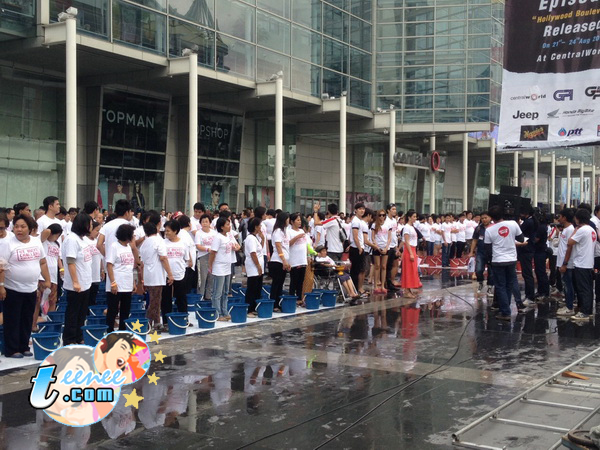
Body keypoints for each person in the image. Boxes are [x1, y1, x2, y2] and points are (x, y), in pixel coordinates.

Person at [0, 214, 51, 358]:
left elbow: (42, 262)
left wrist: (47, 280)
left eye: (23, 227)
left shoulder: (36, 241)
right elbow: (1, 266)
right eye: (16, 226)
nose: (19, 230)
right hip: (12, 288)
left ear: (30, 228)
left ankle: (23, 346)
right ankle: (12, 349)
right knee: (13, 319)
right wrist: (1, 286)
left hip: (31, 288)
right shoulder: (8, 244)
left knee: (27, 318)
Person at [484, 206, 525, 320]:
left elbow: (487, 249)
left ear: (491, 217)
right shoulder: (513, 224)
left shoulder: (489, 230)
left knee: (500, 286)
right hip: (511, 259)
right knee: (509, 284)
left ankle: (505, 311)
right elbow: (521, 239)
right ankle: (506, 309)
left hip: (498, 260)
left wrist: (490, 261)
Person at [62, 213, 93, 345]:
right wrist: (75, 281)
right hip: (76, 285)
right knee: (73, 313)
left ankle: (78, 336)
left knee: (81, 313)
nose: (91, 226)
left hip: (86, 283)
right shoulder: (71, 239)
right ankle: (69, 339)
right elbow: (71, 261)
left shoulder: (83, 239)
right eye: (90, 224)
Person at [139, 222, 173, 332]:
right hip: (157, 275)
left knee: (156, 299)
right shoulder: (159, 241)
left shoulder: (144, 243)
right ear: (156, 229)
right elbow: (163, 258)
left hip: (148, 274)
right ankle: (147, 323)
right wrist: (170, 274)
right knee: (155, 301)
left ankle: (157, 322)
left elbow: (142, 262)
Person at [105, 224, 136, 332]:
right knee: (113, 310)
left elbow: (129, 267)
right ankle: (109, 332)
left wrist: (133, 283)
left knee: (125, 311)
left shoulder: (128, 247)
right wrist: (113, 283)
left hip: (127, 284)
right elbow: (109, 265)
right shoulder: (114, 246)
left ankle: (123, 332)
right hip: (116, 285)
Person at [568, 208, 596, 320]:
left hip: (581, 263)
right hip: (589, 263)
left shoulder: (582, 230)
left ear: (578, 219)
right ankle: (587, 310)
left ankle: (584, 312)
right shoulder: (591, 230)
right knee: (588, 289)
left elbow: (570, 242)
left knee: (583, 289)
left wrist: (575, 230)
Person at [162, 220, 190, 327]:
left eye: (168, 231)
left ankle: (183, 318)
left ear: (175, 231)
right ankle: (166, 321)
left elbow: (186, 258)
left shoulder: (183, 243)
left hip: (180, 274)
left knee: (181, 298)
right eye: (165, 231)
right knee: (166, 299)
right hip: (166, 275)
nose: (166, 233)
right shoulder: (163, 243)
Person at [209, 217, 235, 321]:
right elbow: (213, 252)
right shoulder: (218, 237)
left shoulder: (228, 236)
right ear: (221, 227)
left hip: (227, 266)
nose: (229, 226)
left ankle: (225, 311)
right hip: (219, 267)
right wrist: (211, 266)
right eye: (227, 224)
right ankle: (217, 313)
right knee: (217, 292)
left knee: (225, 292)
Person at [269, 212, 291, 308]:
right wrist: (283, 260)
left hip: (284, 260)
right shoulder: (277, 231)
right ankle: (274, 303)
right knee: (276, 283)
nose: (288, 221)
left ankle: (278, 302)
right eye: (287, 219)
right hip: (277, 261)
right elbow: (278, 246)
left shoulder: (285, 231)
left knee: (280, 283)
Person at [469, 212, 493, 295]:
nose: (484, 220)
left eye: (486, 218)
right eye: (482, 218)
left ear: (490, 218)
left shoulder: (494, 227)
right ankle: (480, 283)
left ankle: (490, 287)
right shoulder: (478, 228)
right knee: (479, 270)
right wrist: (471, 251)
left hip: (491, 253)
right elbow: (475, 240)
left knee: (491, 271)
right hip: (480, 252)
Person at [557, 208, 576, 316]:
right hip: (562, 262)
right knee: (566, 285)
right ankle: (568, 305)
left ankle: (569, 308)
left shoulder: (570, 230)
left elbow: (569, 247)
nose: (558, 219)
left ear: (564, 217)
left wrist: (565, 263)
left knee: (568, 285)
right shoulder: (565, 229)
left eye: (560, 216)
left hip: (567, 263)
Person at [244, 218, 264, 316]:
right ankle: (249, 309)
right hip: (253, 266)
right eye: (260, 225)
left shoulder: (255, 237)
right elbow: (253, 253)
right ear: (256, 227)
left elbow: (260, 249)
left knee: (257, 288)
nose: (261, 227)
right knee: (251, 288)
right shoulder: (250, 238)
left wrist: (263, 238)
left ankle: (254, 307)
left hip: (258, 266)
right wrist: (258, 266)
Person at [517, 206, 537, 302]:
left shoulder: (528, 222)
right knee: (527, 273)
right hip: (529, 249)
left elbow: (519, 231)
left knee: (527, 273)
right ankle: (529, 294)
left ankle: (530, 296)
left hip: (526, 249)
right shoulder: (531, 221)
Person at [195, 213, 216, 302]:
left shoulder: (214, 233)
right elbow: (198, 246)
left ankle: (208, 296)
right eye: (203, 222)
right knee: (202, 278)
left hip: (213, 257)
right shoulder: (198, 233)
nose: (205, 223)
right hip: (203, 257)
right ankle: (200, 296)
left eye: (206, 221)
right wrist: (207, 249)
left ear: (210, 223)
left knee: (211, 277)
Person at [288, 213, 308, 302]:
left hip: (302, 259)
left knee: (301, 281)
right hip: (294, 260)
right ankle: (291, 298)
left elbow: (305, 245)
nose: (299, 222)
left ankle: (299, 298)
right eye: (297, 220)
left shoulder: (302, 231)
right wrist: (297, 237)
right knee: (294, 281)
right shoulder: (289, 231)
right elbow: (288, 244)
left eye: (300, 220)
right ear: (292, 222)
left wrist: (308, 256)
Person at [402, 210, 422, 298]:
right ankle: (406, 290)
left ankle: (409, 289)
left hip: (413, 249)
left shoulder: (412, 227)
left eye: (415, 217)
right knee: (408, 270)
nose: (415, 218)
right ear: (409, 217)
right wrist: (410, 253)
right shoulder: (406, 227)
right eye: (413, 216)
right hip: (409, 249)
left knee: (412, 270)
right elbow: (406, 241)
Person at [371, 209, 391, 294]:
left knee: (383, 266)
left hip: (385, 247)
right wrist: (377, 246)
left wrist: (386, 247)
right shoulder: (374, 225)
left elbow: (389, 238)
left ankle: (382, 285)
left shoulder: (388, 225)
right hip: (377, 247)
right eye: (380, 215)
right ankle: (376, 285)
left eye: (383, 215)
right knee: (377, 266)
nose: (382, 217)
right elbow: (372, 237)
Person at [349, 203, 366, 293]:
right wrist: (359, 248)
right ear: (355, 210)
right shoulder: (355, 221)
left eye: (363, 209)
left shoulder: (359, 221)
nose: (362, 210)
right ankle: (355, 289)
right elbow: (355, 236)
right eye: (360, 209)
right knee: (356, 271)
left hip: (359, 247)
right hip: (356, 248)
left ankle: (356, 289)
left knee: (359, 269)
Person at [533, 212, 550, 301]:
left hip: (540, 251)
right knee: (539, 271)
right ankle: (541, 291)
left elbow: (536, 239)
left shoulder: (541, 227)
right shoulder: (544, 227)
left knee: (541, 272)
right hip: (541, 251)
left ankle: (544, 292)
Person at [86, 221, 103, 306]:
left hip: (96, 274)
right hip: (87, 275)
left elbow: (100, 257)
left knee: (93, 297)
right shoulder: (84, 241)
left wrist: (102, 269)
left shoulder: (98, 242)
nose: (98, 233)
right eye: (96, 230)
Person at [384, 204, 401, 291]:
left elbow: (395, 234)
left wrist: (397, 246)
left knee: (392, 265)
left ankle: (390, 281)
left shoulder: (394, 220)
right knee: (387, 266)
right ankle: (386, 282)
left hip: (394, 245)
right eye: (393, 209)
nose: (395, 211)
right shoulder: (386, 220)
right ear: (388, 210)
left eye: (395, 209)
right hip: (388, 246)